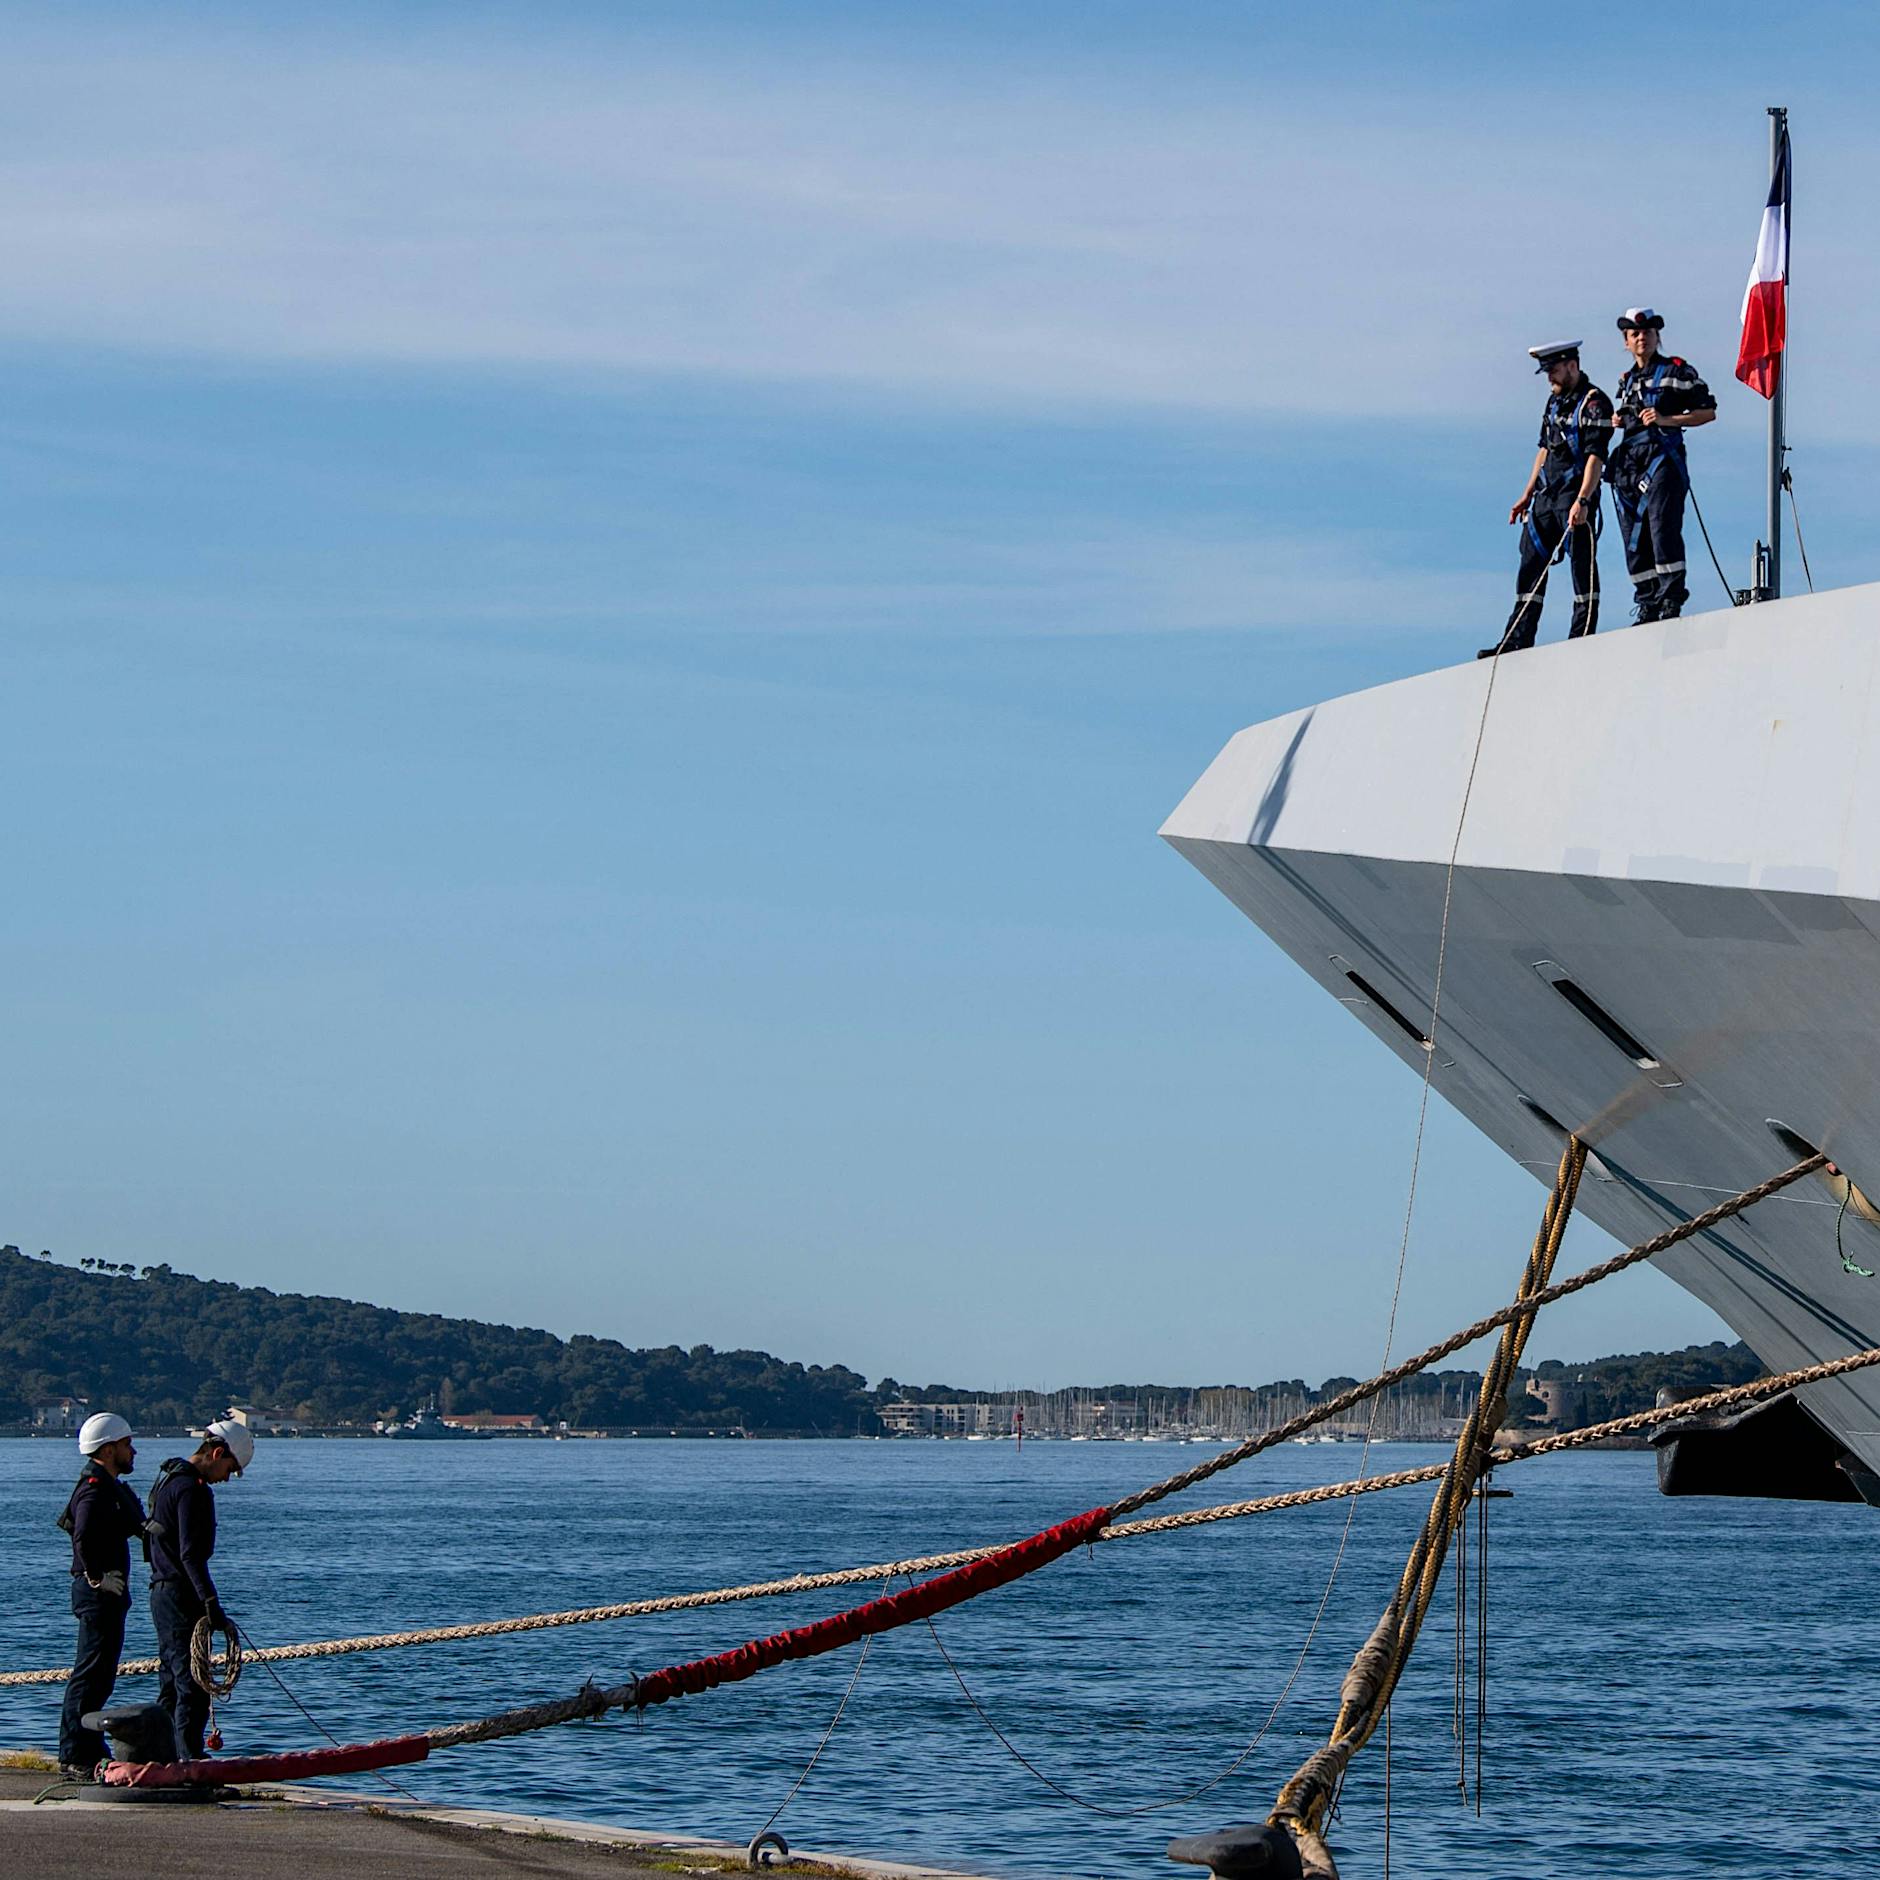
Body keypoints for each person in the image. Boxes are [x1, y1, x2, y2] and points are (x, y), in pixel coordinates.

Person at [1482, 342, 1613, 658]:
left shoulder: (1595, 404)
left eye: (1553, 370)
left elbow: (1597, 456)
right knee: (1529, 566)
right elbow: (1544, 449)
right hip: (1545, 497)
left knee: (1583, 568)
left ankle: (1581, 636)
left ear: (1571, 365)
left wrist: (1583, 500)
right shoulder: (1553, 402)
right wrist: (1526, 494)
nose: (1549, 378)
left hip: (1574, 497)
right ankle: (1517, 639)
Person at [146, 1419, 254, 1758]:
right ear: (217, 1452)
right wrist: (210, 1602)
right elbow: (191, 1554)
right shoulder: (193, 1490)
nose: (226, 1477)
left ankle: (163, 1753)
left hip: (161, 1590)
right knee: (192, 1681)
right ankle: (189, 1759)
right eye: (229, 1468)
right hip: (180, 1593)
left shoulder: (168, 1481)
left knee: (171, 1677)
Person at [1608, 309, 1717, 622]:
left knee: (1661, 526)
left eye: (1648, 333)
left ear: (1657, 337)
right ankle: (1647, 601)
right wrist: (1620, 420)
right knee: (1634, 537)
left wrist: (1667, 419)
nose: (1642, 338)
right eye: (1635, 335)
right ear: (1626, 342)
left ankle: (1670, 598)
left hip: (1662, 459)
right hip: (1629, 466)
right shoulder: (1626, 382)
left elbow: (1707, 412)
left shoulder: (1676, 372)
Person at [57, 1412, 147, 1780]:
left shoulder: (112, 1488)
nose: (133, 1451)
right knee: (90, 1673)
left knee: (102, 1675)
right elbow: (82, 1536)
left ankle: (89, 1744)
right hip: (98, 1593)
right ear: (108, 1450)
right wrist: (96, 1578)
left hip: (109, 1593)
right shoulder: (93, 1489)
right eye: (126, 1445)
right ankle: (75, 1751)